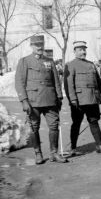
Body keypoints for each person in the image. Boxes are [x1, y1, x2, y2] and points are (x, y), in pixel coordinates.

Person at [15, 34, 68, 164]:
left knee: (54, 126)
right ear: (31, 46)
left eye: (41, 45)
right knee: (34, 127)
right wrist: (24, 101)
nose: (39, 47)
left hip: (50, 99)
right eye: (36, 45)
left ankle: (54, 153)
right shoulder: (24, 61)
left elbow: (56, 80)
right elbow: (19, 82)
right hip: (33, 101)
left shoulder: (49, 61)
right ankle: (38, 154)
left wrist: (59, 97)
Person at [64, 41, 101, 156]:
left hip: (92, 99)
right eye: (80, 50)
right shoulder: (70, 65)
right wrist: (72, 99)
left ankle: (99, 145)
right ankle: (73, 148)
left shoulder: (91, 64)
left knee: (94, 122)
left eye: (84, 49)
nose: (83, 52)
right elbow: (68, 84)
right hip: (78, 101)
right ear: (74, 51)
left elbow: (98, 82)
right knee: (76, 124)